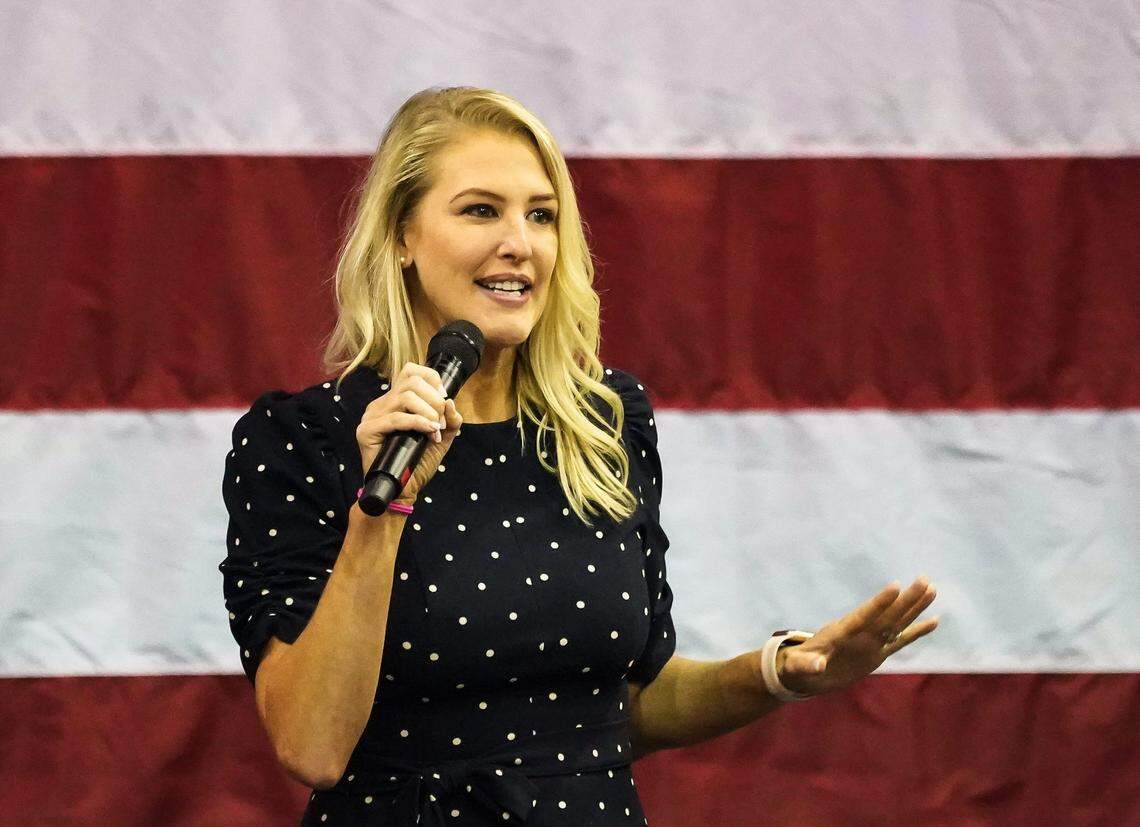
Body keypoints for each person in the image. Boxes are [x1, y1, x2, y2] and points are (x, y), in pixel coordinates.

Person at [219, 86, 939, 826]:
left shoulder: (603, 422)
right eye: (479, 210)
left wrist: (780, 671)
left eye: (541, 214)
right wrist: (383, 510)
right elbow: (311, 745)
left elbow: (627, 701)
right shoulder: (304, 439)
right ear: (402, 235)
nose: (519, 243)